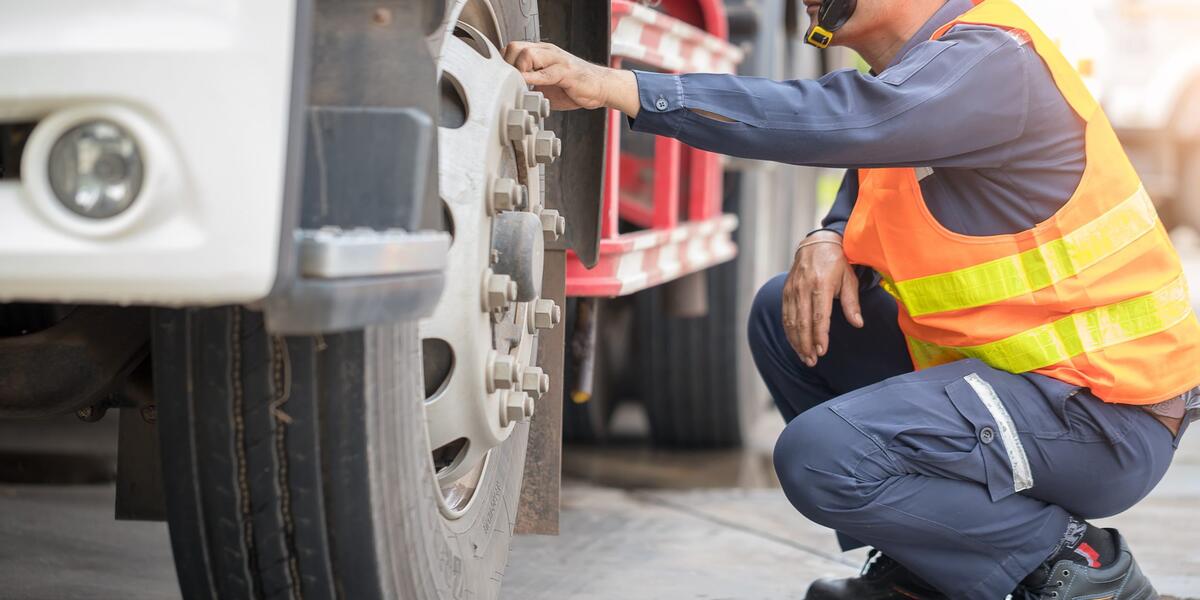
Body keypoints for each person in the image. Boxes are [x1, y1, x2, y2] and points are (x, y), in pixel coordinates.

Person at [503, 0, 1200, 597]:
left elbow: (844, 120)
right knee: (790, 317)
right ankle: (927, 569)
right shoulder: (921, 75)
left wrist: (625, 88)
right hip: (1033, 389)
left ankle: (1078, 567)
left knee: (824, 458)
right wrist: (827, 234)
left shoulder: (991, 63)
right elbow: (875, 166)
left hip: (1103, 413)